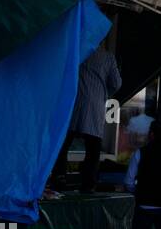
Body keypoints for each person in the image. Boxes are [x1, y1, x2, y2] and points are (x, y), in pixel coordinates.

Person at [50, 40, 122, 193]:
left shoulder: (78, 51)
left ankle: (59, 177)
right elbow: (116, 83)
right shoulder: (108, 57)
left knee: (63, 144)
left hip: (73, 103)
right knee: (93, 148)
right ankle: (88, 183)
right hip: (95, 107)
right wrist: (103, 93)